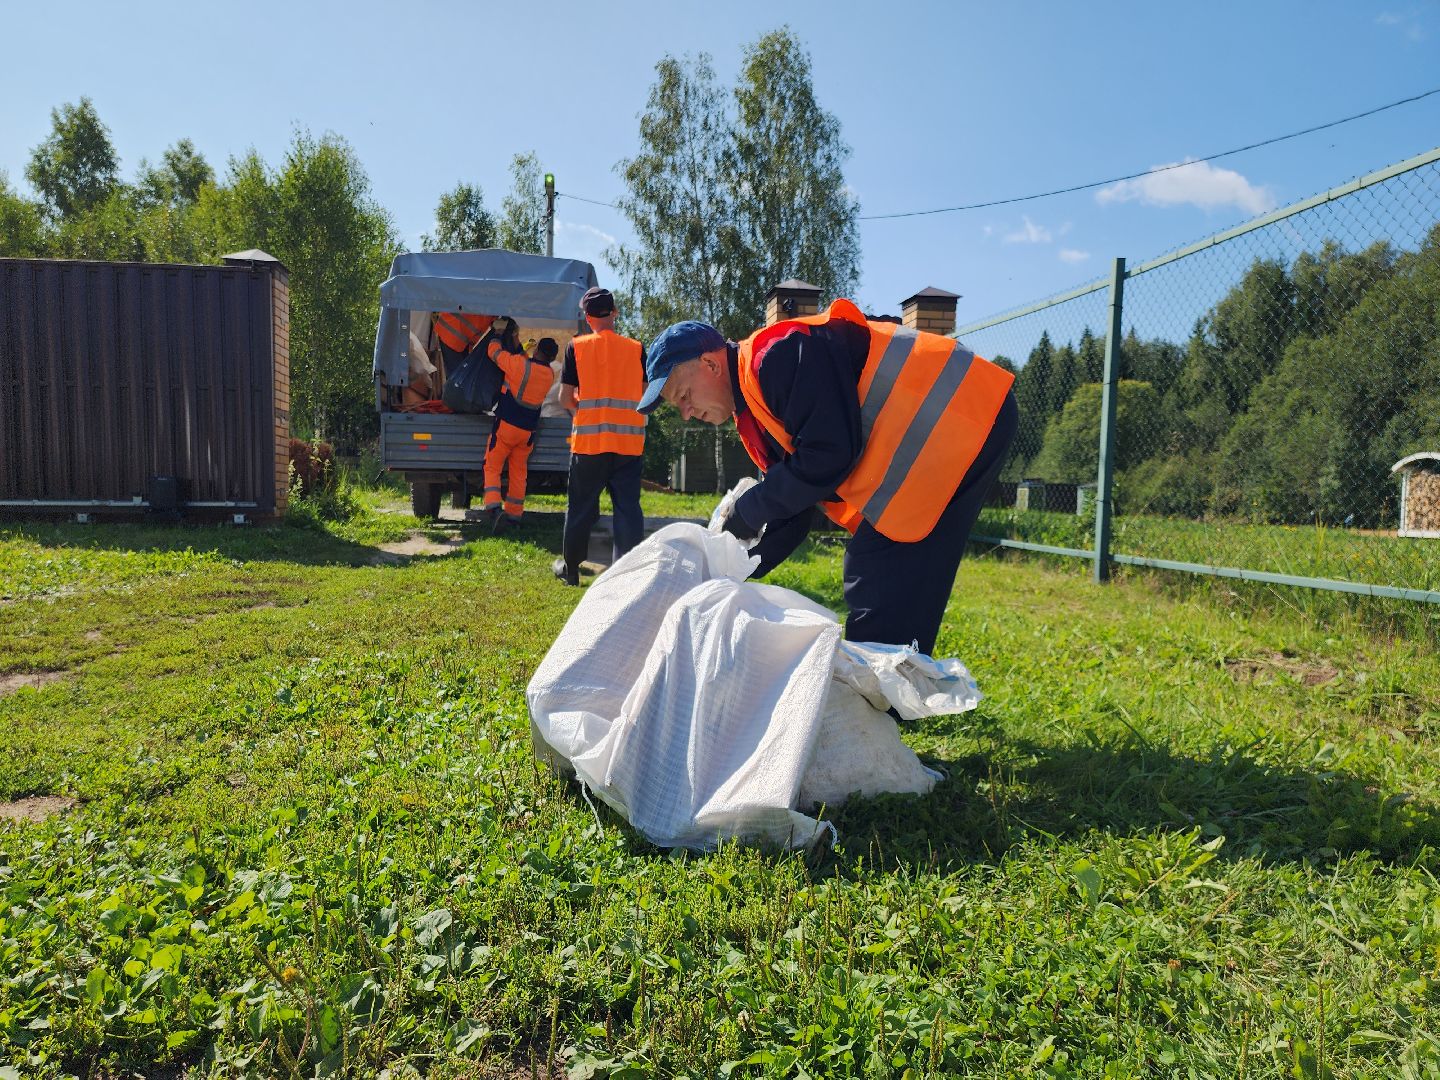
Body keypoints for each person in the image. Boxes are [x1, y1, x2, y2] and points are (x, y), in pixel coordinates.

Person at [637, 298, 1018, 656]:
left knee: (878, 565)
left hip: (962, 413)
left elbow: (829, 454)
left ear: (710, 364)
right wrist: (732, 568)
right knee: (895, 565)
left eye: (684, 395)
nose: (686, 412)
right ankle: (894, 689)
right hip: (954, 421)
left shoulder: (776, 358)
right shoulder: (755, 408)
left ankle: (881, 698)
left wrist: (751, 506)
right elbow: (795, 510)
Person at [552, 287, 647, 586]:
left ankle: (571, 571)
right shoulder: (636, 348)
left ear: (587, 316)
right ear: (615, 313)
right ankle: (628, 574)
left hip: (590, 445)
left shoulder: (576, 348)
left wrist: (586, 406)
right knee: (628, 509)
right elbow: (645, 395)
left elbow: (564, 398)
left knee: (580, 507)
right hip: (629, 444)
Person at [481, 319, 556, 533]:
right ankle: (514, 517)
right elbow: (526, 365)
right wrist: (518, 344)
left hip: (506, 427)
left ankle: (494, 509)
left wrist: (496, 333)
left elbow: (493, 353)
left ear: (538, 350)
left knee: (492, 466)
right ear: (551, 357)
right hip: (527, 434)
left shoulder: (519, 365)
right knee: (518, 473)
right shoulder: (549, 375)